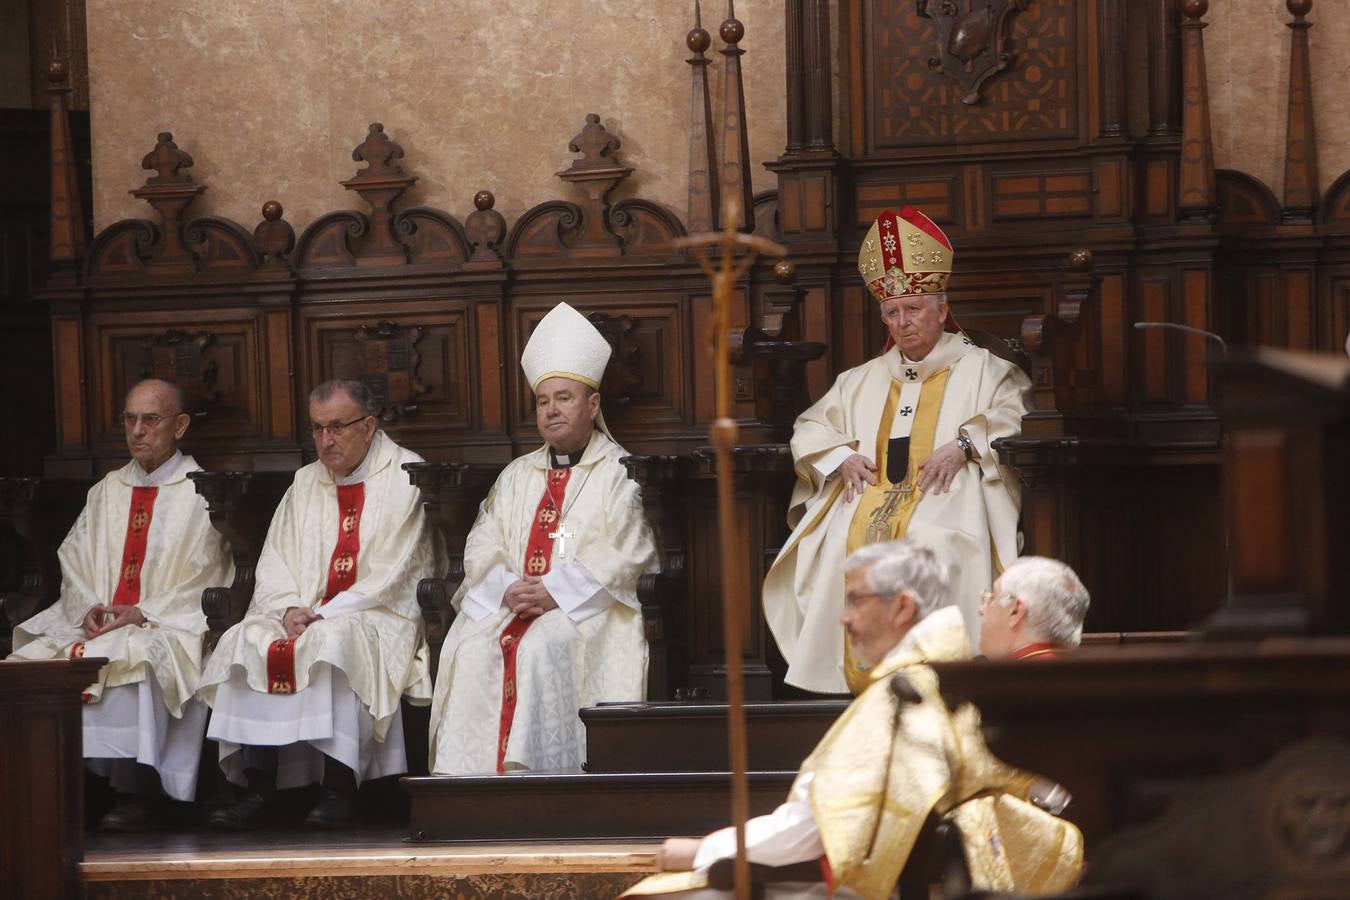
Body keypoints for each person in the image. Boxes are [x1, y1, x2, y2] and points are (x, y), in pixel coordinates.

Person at [623, 541, 1083, 900]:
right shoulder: (945, 679)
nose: (843, 618)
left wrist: (707, 850)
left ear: (902, 607)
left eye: (856, 600)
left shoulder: (906, 695)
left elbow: (818, 829)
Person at [762, 206, 1033, 694]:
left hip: (948, 495)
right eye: (892, 311)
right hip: (867, 497)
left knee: (935, 541)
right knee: (840, 545)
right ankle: (852, 681)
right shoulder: (859, 380)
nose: (903, 322)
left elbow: (1018, 415)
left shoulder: (987, 370)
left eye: (914, 309)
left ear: (942, 310)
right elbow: (809, 429)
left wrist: (966, 444)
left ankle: (941, 680)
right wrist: (840, 457)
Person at [428, 301, 658, 775]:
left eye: (564, 398)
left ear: (592, 404)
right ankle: (465, 784)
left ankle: (534, 778)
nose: (551, 411)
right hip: (512, 603)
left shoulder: (620, 472)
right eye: (542, 401)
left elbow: (630, 549)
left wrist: (556, 590)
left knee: (536, 648)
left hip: (586, 611)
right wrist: (504, 586)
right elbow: (482, 539)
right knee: (473, 650)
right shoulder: (516, 475)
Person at [199, 379, 436, 829]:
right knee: (244, 637)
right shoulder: (305, 482)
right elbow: (275, 560)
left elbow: (397, 570)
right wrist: (288, 608)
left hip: (376, 614)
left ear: (368, 426)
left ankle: (339, 787)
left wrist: (323, 613)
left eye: (337, 427)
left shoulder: (406, 474)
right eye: (317, 429)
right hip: (301, 614)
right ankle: (259, 787)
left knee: (334, 639)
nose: (326, 440)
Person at [9, 378, 232, 830]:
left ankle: (135, 789)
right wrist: (88, 606)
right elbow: (74, 558)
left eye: (150, 419)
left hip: (163, 622)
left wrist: (143, 612)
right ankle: (39, 791)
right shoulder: (106, 490)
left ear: (180, 425)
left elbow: (209, 573)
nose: (137, 431)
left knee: (138, 655)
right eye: (130, 419)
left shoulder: (200, 493)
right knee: (27, 661)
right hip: (96, 622)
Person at [978, 555, 1091, 661]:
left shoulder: (1009, 679)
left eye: (992, 598)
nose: (981, 610)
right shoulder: (1085, 676)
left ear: (1015, 611)